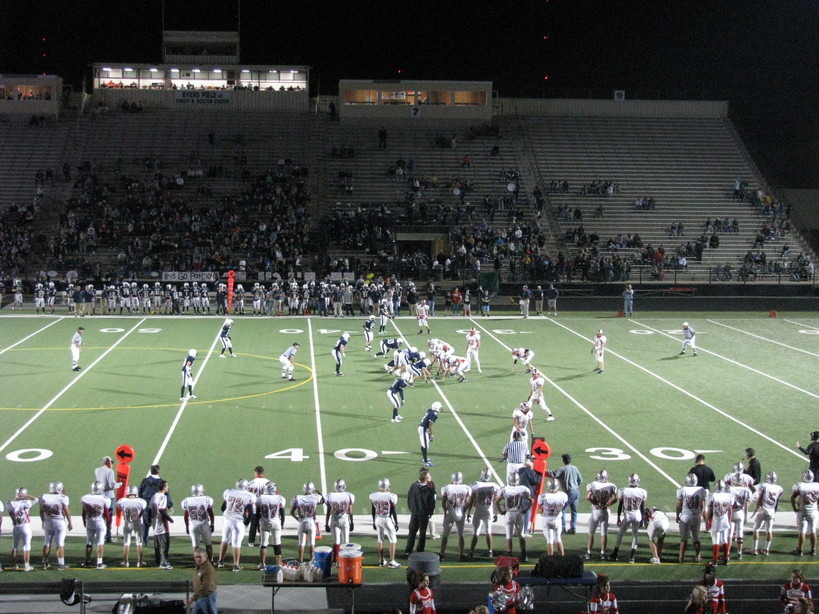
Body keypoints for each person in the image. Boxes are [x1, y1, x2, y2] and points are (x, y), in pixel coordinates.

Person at [218, 479, 256, 570]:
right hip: (238, 521)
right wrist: (246, 523)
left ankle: (220, 561)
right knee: (236, 543)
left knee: (224, 540)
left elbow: (223, 507)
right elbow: (250, 512)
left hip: (227, 520)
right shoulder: (249, 496)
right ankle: (236, 565)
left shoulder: (229, 492)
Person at [610, 473, 647, 563]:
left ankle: (615, 553)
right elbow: (642, 506)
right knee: (635, 535)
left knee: (620, 534)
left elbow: (620, 505)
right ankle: (632, 557)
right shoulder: (642, 491)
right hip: (637, 514)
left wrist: (618, 517)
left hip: (628, 515)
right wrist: (642, 519)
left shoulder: (623, 490)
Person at [496, 473, 531, 561]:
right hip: (519, 513)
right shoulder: (523, 489)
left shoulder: (505, 489)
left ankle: (509, 555)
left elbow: (496, 502)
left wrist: (501, 512)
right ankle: (524, 554)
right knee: (521, 535)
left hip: (509, 514)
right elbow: (532, 500)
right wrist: (526, 510)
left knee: (509, 535)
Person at [467, 468, 500, 559]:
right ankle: (490, 551)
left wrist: (468, 512)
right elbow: (495, 501)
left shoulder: (476, 485)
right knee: (488, 531)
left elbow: (471, 500)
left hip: (478, 510)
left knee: (476, 532)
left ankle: (471, 551)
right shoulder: (494, 486)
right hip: (488, 511)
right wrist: (496, 513)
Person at [40, 481, 73, 570]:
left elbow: (41, 511)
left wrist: (43, 521)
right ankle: (61, 564)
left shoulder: (44, 497)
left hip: (48, 521)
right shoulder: (63, 498)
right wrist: (70, 522)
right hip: (59, 522)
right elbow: (67, 511)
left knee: (47, 542)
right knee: (60, 543)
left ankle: (44, 562)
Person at [439, 471, 472, 561]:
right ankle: (461, 554)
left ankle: (442, 554)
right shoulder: (466, 488)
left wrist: (445, 511)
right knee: (461, 535)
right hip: (460, 514)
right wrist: (464, 511)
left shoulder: (447, 487)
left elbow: (443, 502)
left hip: (450, 514)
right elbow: (468, 502)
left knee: (445, 535)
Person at [585, 469, 617, 561]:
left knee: (591, 533)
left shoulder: (593, 484)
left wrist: (595, 504)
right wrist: (607, 504)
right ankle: (603, 553)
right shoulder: (611, 486)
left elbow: (588, 497)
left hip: (596, 511)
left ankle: (589, 553)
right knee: (604, 533)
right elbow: (615, 499)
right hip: (605, 511)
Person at [290, 481, 324, 563]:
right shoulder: (315, 497)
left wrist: (296, 518)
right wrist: (317, 490)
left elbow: (292, 511)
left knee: (301, 543)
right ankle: (312, 560)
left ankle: (300, 560)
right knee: (312, 543)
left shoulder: (298, 498)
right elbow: (323, 499)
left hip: (302, 522)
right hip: (311, 522)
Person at [370, 478, 400, 568]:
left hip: (378, 518)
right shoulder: (391, 496)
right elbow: (393, 511)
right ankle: (392, 561)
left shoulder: (373, 495)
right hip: (386, 519)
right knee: (393, 540)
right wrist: (396, 522)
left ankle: (381, 560)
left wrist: (373, 521)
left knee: (380, 539)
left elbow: (373, 510)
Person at [677, 473, 707, 563]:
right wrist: (701, 514)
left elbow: (679, 505)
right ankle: (698, 556)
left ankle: (681, 557)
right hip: (696, 516)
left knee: (684, 538)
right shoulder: (701, 490)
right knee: (696, 537)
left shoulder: (683, 490)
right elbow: (702, 505)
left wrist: (677, 514)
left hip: (685, 516)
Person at [751, 471, 783, 555]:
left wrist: (756, 508)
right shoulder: (779, 488)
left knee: (756, 529)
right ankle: (766, 549)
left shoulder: (763, 485)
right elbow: (777, 498)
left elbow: (759, 496)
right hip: (771, 512)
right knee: (769, 530)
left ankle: (755, 549)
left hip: (763, 510)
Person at [405, 468, 436, 556]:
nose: (431, 476)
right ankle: (420, 550)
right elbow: (431, 502)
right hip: (424, 513)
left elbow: (409, 498)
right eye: (429, 475)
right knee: (422, 533)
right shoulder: (429, 489)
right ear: (426, 478)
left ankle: (408, 550)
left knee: (412, 532)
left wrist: (412, 509)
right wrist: (430, 512)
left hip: (415, 512)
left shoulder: (414, 486)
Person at [548, 453, 582, 534]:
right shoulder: (575, 468)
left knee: (562, 509)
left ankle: (563, 527)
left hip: (569, 492)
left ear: (563, 461)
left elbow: (554, 474)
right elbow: (580, 480)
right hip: (576, 491)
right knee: (574, 511)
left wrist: (543, 471)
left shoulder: (562, 469)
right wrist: (576, 485)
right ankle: (573, 528)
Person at [182, 484, 215, 562]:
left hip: (193, 525)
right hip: (204, 525)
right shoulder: (207, 499)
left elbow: (186, 515)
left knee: (195, 546)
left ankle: (197, 563)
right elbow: (211, 513)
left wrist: (187, 526)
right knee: (208, 545)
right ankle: (211, 561)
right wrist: (213, 523)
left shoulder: (187, 501)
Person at [81, 481, 110, 569]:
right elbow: (106, 513)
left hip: (90, 521)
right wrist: (108, 523)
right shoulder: (104, 498)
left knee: (89, 542)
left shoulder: (85, 498)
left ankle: (87, 560)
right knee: (100, 542)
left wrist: (84, 522)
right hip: (100, 522)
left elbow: (84, 512)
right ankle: (99, 562)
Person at [7, 487, 38, 571]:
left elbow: (14, 502)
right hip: (25, 526)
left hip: (16, 526)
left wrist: (18, 497)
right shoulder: (26, 502)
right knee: (27, 547)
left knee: (14, 547)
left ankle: (14, 565)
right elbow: (36, 499)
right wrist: (27, 495)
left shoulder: (9, 503)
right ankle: (26, 566)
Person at [116, 485, 147, 567]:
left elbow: (120, 508)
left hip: (127, 523)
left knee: (126, 543)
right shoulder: (141, 501)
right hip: (137, 523)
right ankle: (140, 562)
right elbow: (142, 511)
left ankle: (126, 562)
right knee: (139, 543)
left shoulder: (122, 501)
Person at [257, 482, 286, 569]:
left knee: (263, 544)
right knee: (277, 543)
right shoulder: (280, 498)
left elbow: (258, 513)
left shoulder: (260, 498)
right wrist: (282, 523)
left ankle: (262, 564)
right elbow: (282, 512)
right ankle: (278, 564)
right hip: (276, 523)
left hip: (265, 523)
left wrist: (257, 525)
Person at [325, 479, 355, 563]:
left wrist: (326, 523)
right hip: (345, 519)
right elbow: (350, 511)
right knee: (346, 541)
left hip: (334, 519)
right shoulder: (349, 495)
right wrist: (352, 522)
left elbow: (328, 511)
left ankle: (336, 559)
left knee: (336, 541)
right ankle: (345, 559)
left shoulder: (330, 496)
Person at [791, 469, 819, 556]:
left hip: (803, 510)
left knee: (802, 531)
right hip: (814, 511)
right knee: (813, 530)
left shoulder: (800, 485)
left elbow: (793, 498)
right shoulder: (817, 485)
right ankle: (813, 550)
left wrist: (794, 508)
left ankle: (800, 550)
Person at [94, 456, 121, 543]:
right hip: (109, 496)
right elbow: (111, 485)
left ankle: (100, 535)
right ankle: (108, 536)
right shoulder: (110, 471)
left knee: (100, 516)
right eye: (112, 462)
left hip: (99, 496)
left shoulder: (97, 470)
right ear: (109, 462)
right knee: (108, 517)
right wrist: (120, 484)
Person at [538, 477, 567, 555]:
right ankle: (562, 558)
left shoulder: (543, 496)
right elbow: (564, 505)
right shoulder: (563, 495)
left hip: (547, 520)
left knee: (549, 540)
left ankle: (550, 559)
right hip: (557, 520)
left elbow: (540, 506)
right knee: (558, 538)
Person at [707, 479, 734, 565]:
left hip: (716, 520)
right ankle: (726, 559)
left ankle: (715, 561)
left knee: (716, 541)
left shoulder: (713, 496)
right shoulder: (728, 495)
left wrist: (707, 520)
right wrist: (729, 519)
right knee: (725, 539)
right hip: (725, 519)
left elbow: (710, 511)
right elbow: (730, 509)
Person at [151, 479, 174, 569]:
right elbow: (161, 510)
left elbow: (151, 509)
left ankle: (158, 561)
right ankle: (163, 563)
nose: (168, 487)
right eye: (167, 486)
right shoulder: (163, 497)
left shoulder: (154, 496)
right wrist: (170, 519)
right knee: (165, 545)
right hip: (162, 525)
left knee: (157, 545)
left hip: (155, 524)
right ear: (164, 487)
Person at [246, 467, 271, 547]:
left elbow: (246, 496)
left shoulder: (251, 483)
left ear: (256, 472)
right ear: (262, 472)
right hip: (265, 506)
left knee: (253, 524)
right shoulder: (268, 482)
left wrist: (246, 510)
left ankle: (251, 541)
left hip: (254, 506)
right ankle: (263, 541)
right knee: (264, 524)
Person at [189, 547, 218, 614]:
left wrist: (193, 598)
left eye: (200, 557)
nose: (198, 559)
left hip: (207, 596)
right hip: (200, 596)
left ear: (205, 557)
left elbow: (206, 586)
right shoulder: (201, 566)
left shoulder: (208, 569)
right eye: (196, 557)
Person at [418, 402, 442, 467]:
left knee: (425, 444)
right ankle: (425, 461)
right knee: (425, 445)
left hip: (423, 428)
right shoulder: (434, 414)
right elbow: (430, 426)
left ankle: (424, 458)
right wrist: (431, 435)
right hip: (423, 428)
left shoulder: (430, 410)